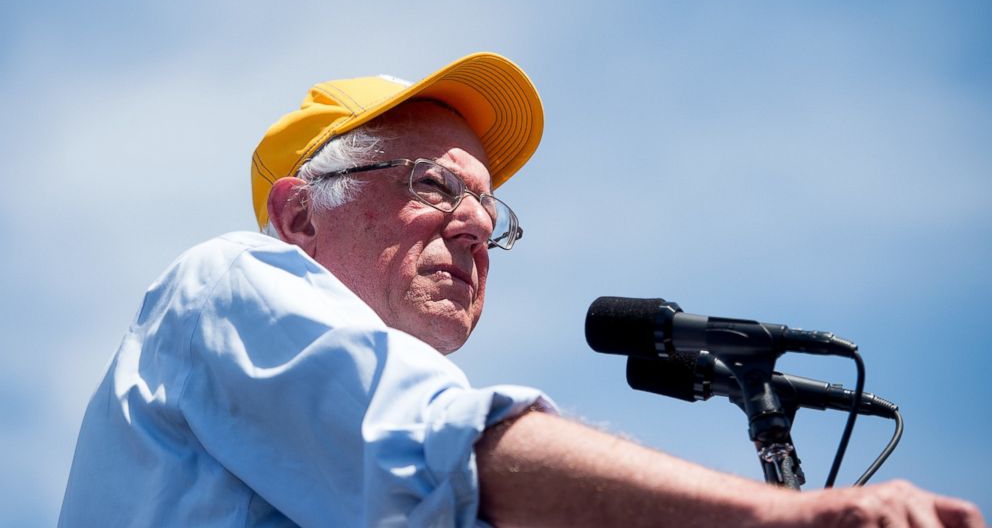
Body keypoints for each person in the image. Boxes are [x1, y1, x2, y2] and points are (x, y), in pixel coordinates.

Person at [60, 53, 984, 527]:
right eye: (430, 185)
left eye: (488, 208)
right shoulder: (225, 289)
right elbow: (447, 452)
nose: (472, 225)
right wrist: (784, 517)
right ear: (301, 216)